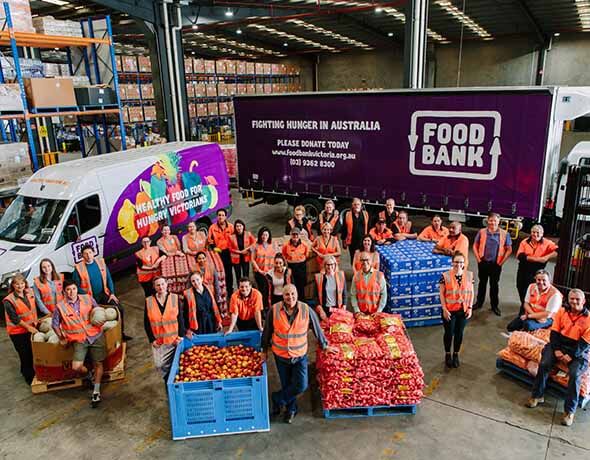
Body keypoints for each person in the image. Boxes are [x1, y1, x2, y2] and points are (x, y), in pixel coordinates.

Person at [262, 284, 329, 424]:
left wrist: (325, 345)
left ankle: (277, 398)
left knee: (301, 385)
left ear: (297, 294)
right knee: (286, 384)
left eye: (293, 294)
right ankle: (291, 409)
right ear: (282, 296)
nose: (290, 297)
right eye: (287, 294)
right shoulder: (274, 310)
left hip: (299, 355)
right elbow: (267, 331)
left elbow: (316, 327)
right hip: (281, 355)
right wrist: (264, 350)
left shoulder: (306, 310)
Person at [526, 289, 590, 427]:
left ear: (583, 301)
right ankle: (537, 395)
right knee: (544, 363)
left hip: (578, 349)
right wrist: (556, 350)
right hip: (559, 344)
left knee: (575, 374)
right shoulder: (562, 311)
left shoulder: (589, 318)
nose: (574, 301)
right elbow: (554, 333)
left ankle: (569, 411)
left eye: (577, 299)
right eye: (571, 298)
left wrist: (571, 355)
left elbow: (584, 343)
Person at [53, 280, 106, 406]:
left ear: (77, 289)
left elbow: (97, 310)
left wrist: (101, 319)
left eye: (74, 289)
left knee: (98, 363)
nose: (71, 292)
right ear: (64, 292)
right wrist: (61, 337)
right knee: (76, 366)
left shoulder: (87, 298)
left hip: (95, 335)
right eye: (68, 290)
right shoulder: (60, 307)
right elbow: (55, 324)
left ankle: (96, 391)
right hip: (79, 340)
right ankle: (89, 374)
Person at [74, 244, 131, 340]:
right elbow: (76, 286)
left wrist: (112, 293)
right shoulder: (78, 268)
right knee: (92, 319)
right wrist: (87, 297)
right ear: (82, 256)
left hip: (103, 294)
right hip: (89, 299)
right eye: (85, 254)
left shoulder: (100, 263)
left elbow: (108, 278)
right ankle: (96, 339)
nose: (88, 255)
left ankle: (121, 334)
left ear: (94, 253)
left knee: (120, 309)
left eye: (90, 252)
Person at [144, 277, 186, 382]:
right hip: (159, 342)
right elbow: (146, 322)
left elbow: (180, 318)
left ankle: (170, 381)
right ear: (154, 287)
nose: (161, 287)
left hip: (174, 340)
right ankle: (167, 377)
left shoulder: (174, 298)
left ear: (167, 284)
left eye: (162, 284)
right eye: (158, 285)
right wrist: (152, 339)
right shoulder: (149, 301)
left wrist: (181, 336)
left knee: (178, 363)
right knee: (159, 365)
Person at [472, 212, 512, 316]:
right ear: (487, 221)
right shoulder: (482, 232)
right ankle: (479, 303)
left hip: (496, 264)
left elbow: (509, 249)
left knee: (494, 285)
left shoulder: (505, 234)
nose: (492, 223)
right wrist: (478, 260)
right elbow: (475, 245)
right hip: (483, 262)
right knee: (482, 283)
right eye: (490, 220)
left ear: (499, 221)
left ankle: (494, 306)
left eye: (495, 220)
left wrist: (501, 263)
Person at [439, 251, 474, 368]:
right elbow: (441, 294)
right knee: (449, 333)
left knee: (459, 333)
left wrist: (470, 308)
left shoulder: (469, 275)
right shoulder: (445, 276)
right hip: (449, 310)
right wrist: (444, 309)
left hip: (463, 310)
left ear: (464, 263)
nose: (458, 264)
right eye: (456, 262)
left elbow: (471, 293)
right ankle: (447, 354)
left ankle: (456, 354)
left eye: (461, 262)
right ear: (452, 262)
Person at [3, 275, 39, 384]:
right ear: (13, 285)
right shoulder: (8, 300)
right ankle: (29, 378)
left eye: (22, 283)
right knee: (24, 354)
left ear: (25, 283)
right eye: (17, 284)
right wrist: (29, 327)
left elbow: (33, 309)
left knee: (31, 353)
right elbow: (14, 319)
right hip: (17, 332)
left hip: (30, 329)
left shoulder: (29, 292)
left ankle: (25, 370)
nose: (20, 286)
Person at [515, 224, 558, 310]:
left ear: (542, 234)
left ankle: (525, 308)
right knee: (520, 286)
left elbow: (557, 250)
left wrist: (546, 257)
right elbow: (519, 256)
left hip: (537, 270)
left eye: (538, 233)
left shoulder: (547, 243)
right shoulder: (524, 242)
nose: (535, 234)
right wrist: (537, 259)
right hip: (523, 267)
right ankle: (524, 304)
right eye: (533, 232)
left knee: (531, 289)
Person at [183, 271, 222, 335]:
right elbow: (185, 313)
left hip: (211, 321)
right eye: (193, 281)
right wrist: (188, 329)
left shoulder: (209, 289)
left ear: (202, 278)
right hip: (198, 324)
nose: (196, 283)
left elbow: (215, 307)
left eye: (197, 279)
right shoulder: (188, 294)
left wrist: (219, 321)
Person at [208, 208, 235, 295]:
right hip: (219, 253)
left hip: (229, 253)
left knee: (229, 273)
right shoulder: (212, 228)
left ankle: (230, 291)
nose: (221, 217)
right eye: (219, 215)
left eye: (223, 215)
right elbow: (210, 241)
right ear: (217, 216)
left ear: (225, 217)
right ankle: (222, 291)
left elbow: (234, 239)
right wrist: (217, 250)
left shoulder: (231, 227)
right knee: (220, 273)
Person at [251, 227, 277, 311]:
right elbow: (253, 259)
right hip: (260, 272)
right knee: (263, 290)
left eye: (266, 235)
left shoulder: (273, 245)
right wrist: (259, 270)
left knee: (272, 289)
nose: (264, 236)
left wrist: (271, 270)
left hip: (271, 272)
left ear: (269, 236)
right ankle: (264, 307)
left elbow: (277, 257)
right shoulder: (255, 246)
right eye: (262, 235)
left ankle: (271, 305)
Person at [314, 256, 347, 320]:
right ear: (324, 265)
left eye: (332, 264)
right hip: (325, 309)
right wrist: (321, 311)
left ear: (335, 265)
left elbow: (344, 294)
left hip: (338, 309)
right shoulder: (319, 278)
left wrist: (344, 307)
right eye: (328, 264)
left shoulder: (341, 276)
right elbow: (315, 297)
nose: (330, 267)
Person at [282, 228, 309, 300]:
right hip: (291, 267)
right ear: (291, 235)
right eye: (293, 235)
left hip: (301, 267)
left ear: (299, 235)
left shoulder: (304, 245)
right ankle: (293, 300)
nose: (295, 237)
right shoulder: (286, 246)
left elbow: (306, 255)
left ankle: (302, 300)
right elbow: (284, 256)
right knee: (292, 285)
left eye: (297, 235)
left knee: (301, 285)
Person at [341, 197, 369, 263]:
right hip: (352, 242)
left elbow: (368, 227)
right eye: (355, 204)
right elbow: (344, 228)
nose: (356, 206)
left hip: (363, 241)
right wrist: (343, 240)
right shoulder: (347, 214)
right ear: (352, 205)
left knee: (363, 258)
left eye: (358, 204)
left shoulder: (365, 214)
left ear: (361, 205)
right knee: (353, 258)